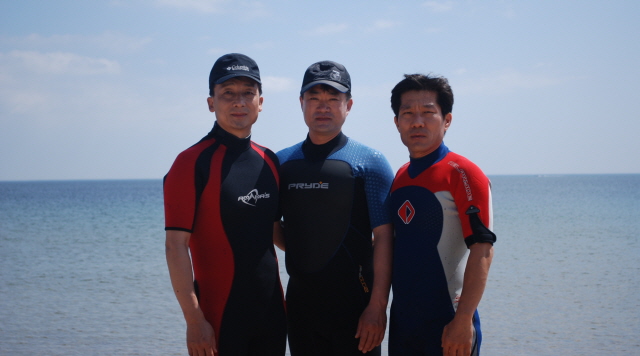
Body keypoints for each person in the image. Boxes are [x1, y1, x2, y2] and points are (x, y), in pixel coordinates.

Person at [163, 53, 286, 356]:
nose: (239, 102)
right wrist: (194, 320)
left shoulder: (269, 161)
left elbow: (275, 233)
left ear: (260, 101)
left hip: (271, 315)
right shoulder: (191, 163)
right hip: (218, 319)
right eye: (228, 93)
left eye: (248, 92)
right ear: (211, 103)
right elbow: (175, 247)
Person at [275, 60, 394, 356]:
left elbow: (385, 238)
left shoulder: (370, 162)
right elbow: (272, 226)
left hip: (356, 308)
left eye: (333, 98)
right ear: (301, 103)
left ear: (348, 105)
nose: (323, 106)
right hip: (301, 308)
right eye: (314, 98)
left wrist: (378, 306)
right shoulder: (281, 163)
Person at [387, 74, 496, 356]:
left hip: (449, 323)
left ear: (447, 120)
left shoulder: (464, 173)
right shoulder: (399, 177)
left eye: (428, 112)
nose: (417, 122)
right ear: (397, 122)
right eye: (408, 113)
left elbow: (483, 250)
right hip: (403, 326)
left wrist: (463, 319)